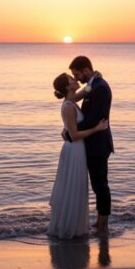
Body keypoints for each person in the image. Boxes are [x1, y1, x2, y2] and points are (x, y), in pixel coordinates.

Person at [48, 73, 109, 239]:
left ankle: (74, 225)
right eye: (71, 79)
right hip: (74, 149)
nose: (75, 80)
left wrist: (92, 80)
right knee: (73, 186)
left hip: (78, 150)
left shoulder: (73, 100)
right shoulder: (68, 106)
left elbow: (86, 90)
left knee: (77, 186)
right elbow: (74, 135)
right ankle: (69, 227)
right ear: (67, 87)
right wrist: (96, 129)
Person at [65, 56, 114, 234]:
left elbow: (93, 119)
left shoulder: (100, 88)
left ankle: (103, 226)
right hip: (91, 144)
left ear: (86, 70)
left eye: (77, 74)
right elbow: (81, 95)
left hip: (99, 144)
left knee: (101, 185)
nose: (76, 78)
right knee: (97, 184)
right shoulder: (93, 85)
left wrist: (71, 132)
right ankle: (99, 221)